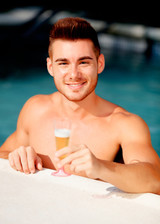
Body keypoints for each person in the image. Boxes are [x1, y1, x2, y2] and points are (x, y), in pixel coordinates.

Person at [0, 17, 160, 194]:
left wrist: (100, 167)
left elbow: (155, 180)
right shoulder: (35, 109)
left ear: (99, 64)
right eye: (63, 63)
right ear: (50, 67)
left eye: (83, 62)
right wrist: (15, 157)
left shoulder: (124, 124)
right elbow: (3, 153)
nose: (74, 74)